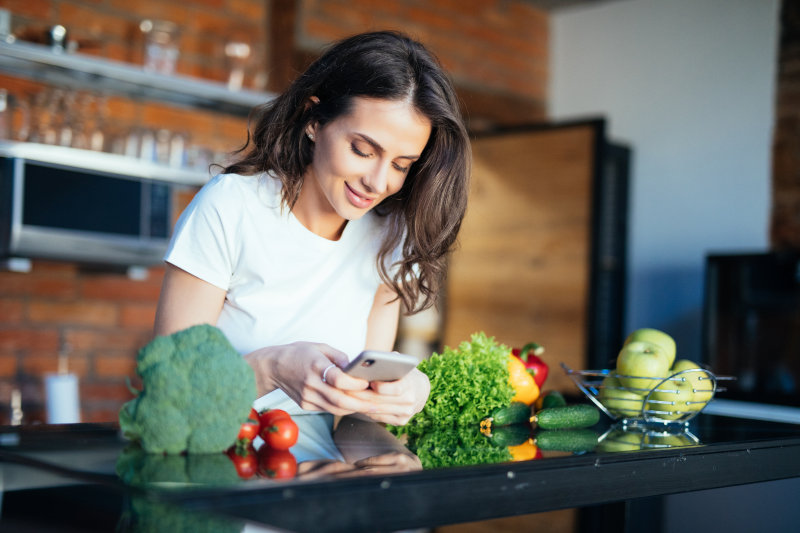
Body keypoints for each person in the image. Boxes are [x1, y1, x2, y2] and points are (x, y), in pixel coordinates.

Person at [153, 30, 470, 426]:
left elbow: (358, 411)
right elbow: (167, 387)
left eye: (401, 165)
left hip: (325, 473)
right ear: (314, 120)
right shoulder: (232, 206)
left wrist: (407, 391)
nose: (377, 181)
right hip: (220, 458)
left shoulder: (391, 234)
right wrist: (271, 367)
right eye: (362, 150)